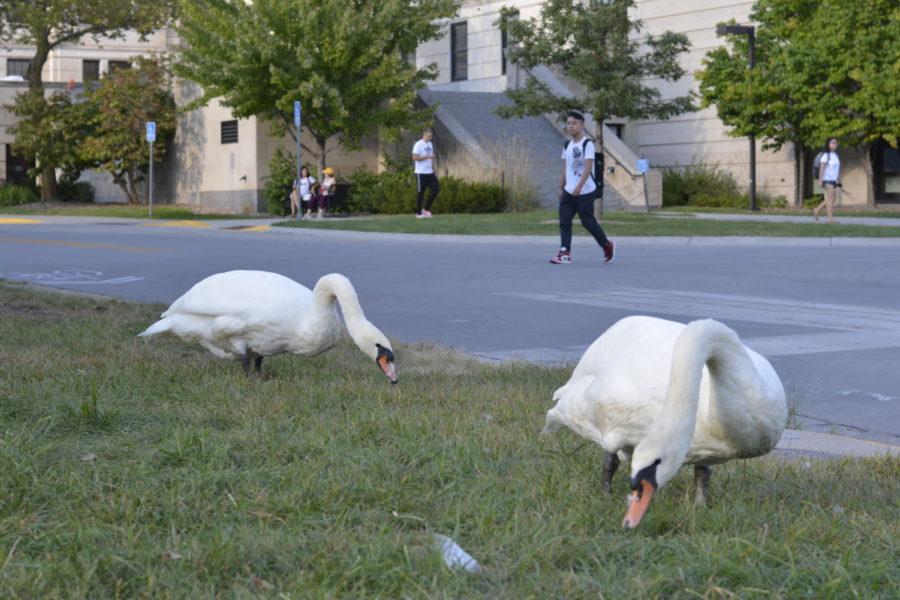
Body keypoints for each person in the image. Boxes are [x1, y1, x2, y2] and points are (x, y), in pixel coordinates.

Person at [549, 110, 614, 264]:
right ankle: (564, 253)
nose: (570, 126)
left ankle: (606, 245)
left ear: (582, 125)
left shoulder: (587, 144)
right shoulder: (567, 145)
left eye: (574, 123)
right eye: (568, 123)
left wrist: (579, 186)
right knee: (564, 221)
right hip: (569, 191)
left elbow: (587, 168)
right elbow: (566, 168)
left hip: (585, 191)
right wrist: (561, 188)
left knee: (588, 222)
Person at [411, 128, 439, 218]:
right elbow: (414, 158)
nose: (430, 138)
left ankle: (426, 209)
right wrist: (427, 156)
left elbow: (431, 157)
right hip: (420, 173)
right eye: (428, 136)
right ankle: (418, 213)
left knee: (436, 189)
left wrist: (434, 168)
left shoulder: (430, 144)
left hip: (430, 173)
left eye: (431, 136)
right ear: (424, 135)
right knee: (421, 193)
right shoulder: (418, 144)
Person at [814, 138, 841, 224]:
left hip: (833, 180)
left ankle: (817, 209)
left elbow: (835, 169)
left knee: (833, 199)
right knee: (830, 199)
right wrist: (820, 180)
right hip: (827, 180)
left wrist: (837, 179)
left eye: (836, 143)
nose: (835, 144)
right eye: (833, 143)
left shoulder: (835, 155)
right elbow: (822, 168)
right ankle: (830, 219)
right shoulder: (825, 155)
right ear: (828, 144)